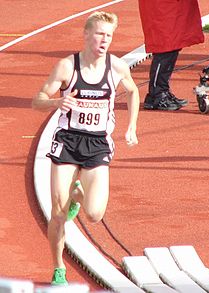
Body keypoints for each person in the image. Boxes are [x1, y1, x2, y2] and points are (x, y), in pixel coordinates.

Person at [32, 11, 139, 286]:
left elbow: (133, 91)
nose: (105, 40)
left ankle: (77, 196)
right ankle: (58, 270)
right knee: (57, 213)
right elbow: (38, 99)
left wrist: (131, 127)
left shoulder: (116, 68)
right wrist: (56, 103)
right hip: (68, 140)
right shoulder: (67, 67)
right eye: (100, 34)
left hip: (97, 144)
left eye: (109, 36)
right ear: (86, 35)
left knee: (94, 214)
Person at [138, 0, 204, 111]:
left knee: (174, 44)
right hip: (162, 7)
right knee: (165, 47)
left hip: (173, 6)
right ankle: (156, 95)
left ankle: (162, 91)